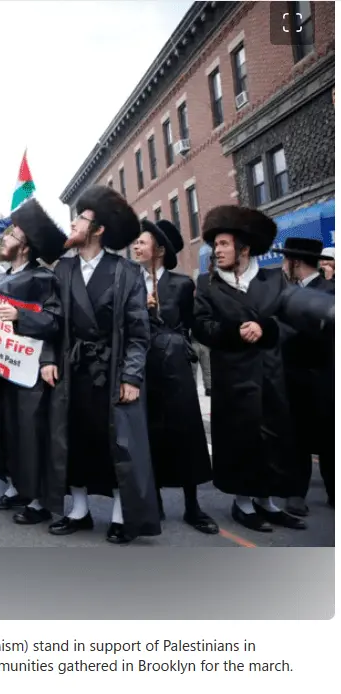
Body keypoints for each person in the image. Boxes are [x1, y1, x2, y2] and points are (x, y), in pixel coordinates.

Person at [192, 206, 334, 533]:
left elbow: (291, 318)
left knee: (274, 440)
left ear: (244, 248)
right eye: (216, 245)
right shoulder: (208, 284)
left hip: (270, 374)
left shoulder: (273, 280)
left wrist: (266, 328)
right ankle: (243, 504)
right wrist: (233, 332)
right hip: (234, 376)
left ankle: (267, 503)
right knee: (241, 440)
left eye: (225, 244)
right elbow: (200, 326)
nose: (218, 250)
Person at [46, 185, 161, 545]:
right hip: (72, 370)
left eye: (81, 218)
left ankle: (119, 514)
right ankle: (78, 511)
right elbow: (53, 321)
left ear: (98, 230)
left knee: (117, 444)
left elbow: (140, 331)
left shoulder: (126, 272)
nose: (73, 224)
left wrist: (131, 374)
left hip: (111, 372)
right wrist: (49, 359)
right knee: (74, 440)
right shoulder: (61, 270)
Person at [130, 219, 217, 535]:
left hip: (176, 366)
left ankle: (193, 505)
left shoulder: (181, 285)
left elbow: (195, 325)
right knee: (148, 431)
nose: (136, 247)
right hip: (140, 367)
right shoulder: (129, 283)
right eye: (135, 242)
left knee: (185, 430)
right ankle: (153, 502)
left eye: (142, 242)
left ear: (159, 250)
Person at [0, 200, 66, 524]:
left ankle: (40, 500)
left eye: (13, 233)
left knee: (33, 433)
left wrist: (21, 315)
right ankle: (16, 486)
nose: (4, 238)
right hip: (4, 368)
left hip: (31, 369)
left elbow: (55, 319)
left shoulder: (44, 278)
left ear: (26, 244)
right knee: (9, 431)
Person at [276, 237, 335, 512]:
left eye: (286, 260)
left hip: (324, 378)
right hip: (292, 378)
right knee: (295, 439)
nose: (284, 265)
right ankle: (296, 493)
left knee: (329, 440)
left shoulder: (330, 292)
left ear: (295, 262)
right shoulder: (286, 293)